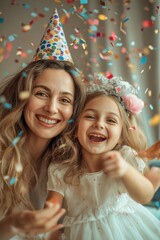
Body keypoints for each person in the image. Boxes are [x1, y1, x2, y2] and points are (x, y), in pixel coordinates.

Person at [47, 74, 160, 240]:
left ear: (121, 135)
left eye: (111, 120)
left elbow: (144, 195)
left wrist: (125, 171)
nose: (99, 124)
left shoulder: (124, 157)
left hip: (126, 231)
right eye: (90, 116)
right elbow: (51, 210)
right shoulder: (61, 168)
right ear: (76, 127)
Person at [0, 59, 86, 240]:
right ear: (21, 96)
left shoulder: (70, 166)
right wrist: (13, 224)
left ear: (74, 111)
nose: (51, 109)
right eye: (41, 94)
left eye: (64, 100)